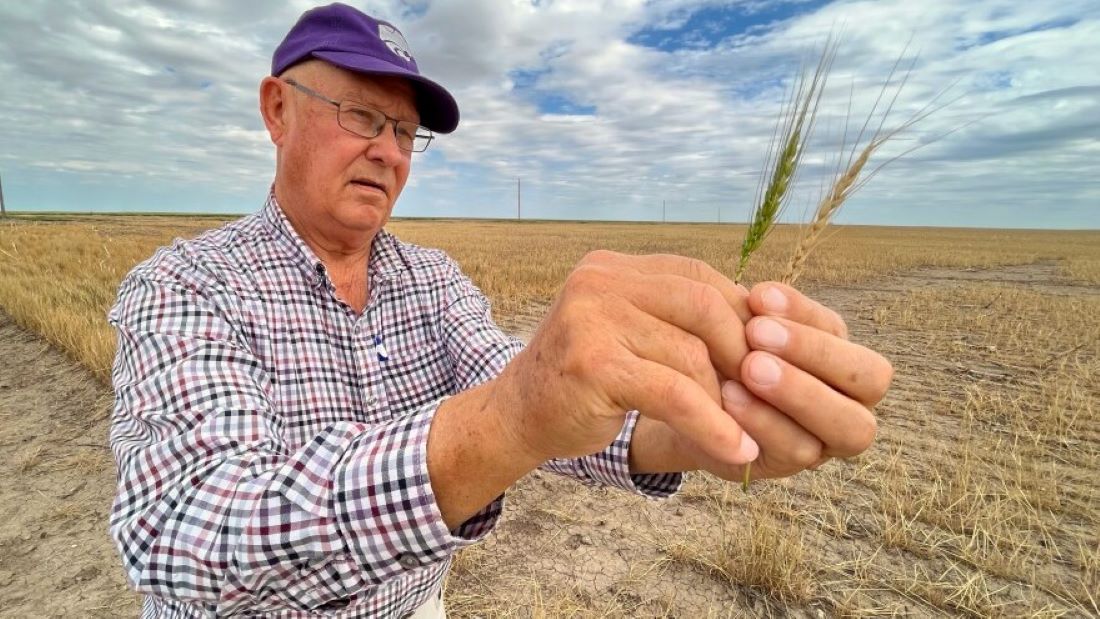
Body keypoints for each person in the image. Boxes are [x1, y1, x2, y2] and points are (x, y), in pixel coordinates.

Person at [107, 3, 892, 617]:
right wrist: (507, 419)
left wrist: (686, 426)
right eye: (362, 117)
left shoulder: (434, 281)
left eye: (407, 132)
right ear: (277, 109)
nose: (388, 149)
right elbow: (187, 529)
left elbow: (543, 398)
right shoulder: (184, 285)